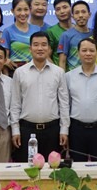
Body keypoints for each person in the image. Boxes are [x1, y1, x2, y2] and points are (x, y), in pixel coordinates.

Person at [10, 31, 69, 161]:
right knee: (27, 168)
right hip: (27, 130)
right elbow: (15, 104)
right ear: (30, 48)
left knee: (52, 169)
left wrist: (64, 129)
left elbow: (64, 103)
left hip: (52, 130)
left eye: (44, 45)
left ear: (49, 48)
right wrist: (15, 130)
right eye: (36, 45)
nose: (40, 48)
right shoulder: (20, 72)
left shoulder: (59, 72)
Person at [1, 0, 40, 70]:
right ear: (12, 11)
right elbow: (5, 59)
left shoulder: (37, 29)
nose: (23, 13)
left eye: (26, 9)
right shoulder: (7, 31)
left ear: (30, 10)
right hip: (15, 71)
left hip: (35, 70)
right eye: (19, 10)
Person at [58, 1, 92, 71]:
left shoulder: (95, 34)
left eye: (83, 12)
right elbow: (62, 62)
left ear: (89, 14)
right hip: (73, 76)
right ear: (72, 16)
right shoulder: (66, 35)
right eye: (77, 13)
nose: (80, 15)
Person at [46, 0, 73, 65]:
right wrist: (56, 70)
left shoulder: (78, 30)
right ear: (55, 13)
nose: (62, 11)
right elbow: (46, 56)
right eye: (58, 9)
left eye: (65, 7)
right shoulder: (51, 31)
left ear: (71, 8)